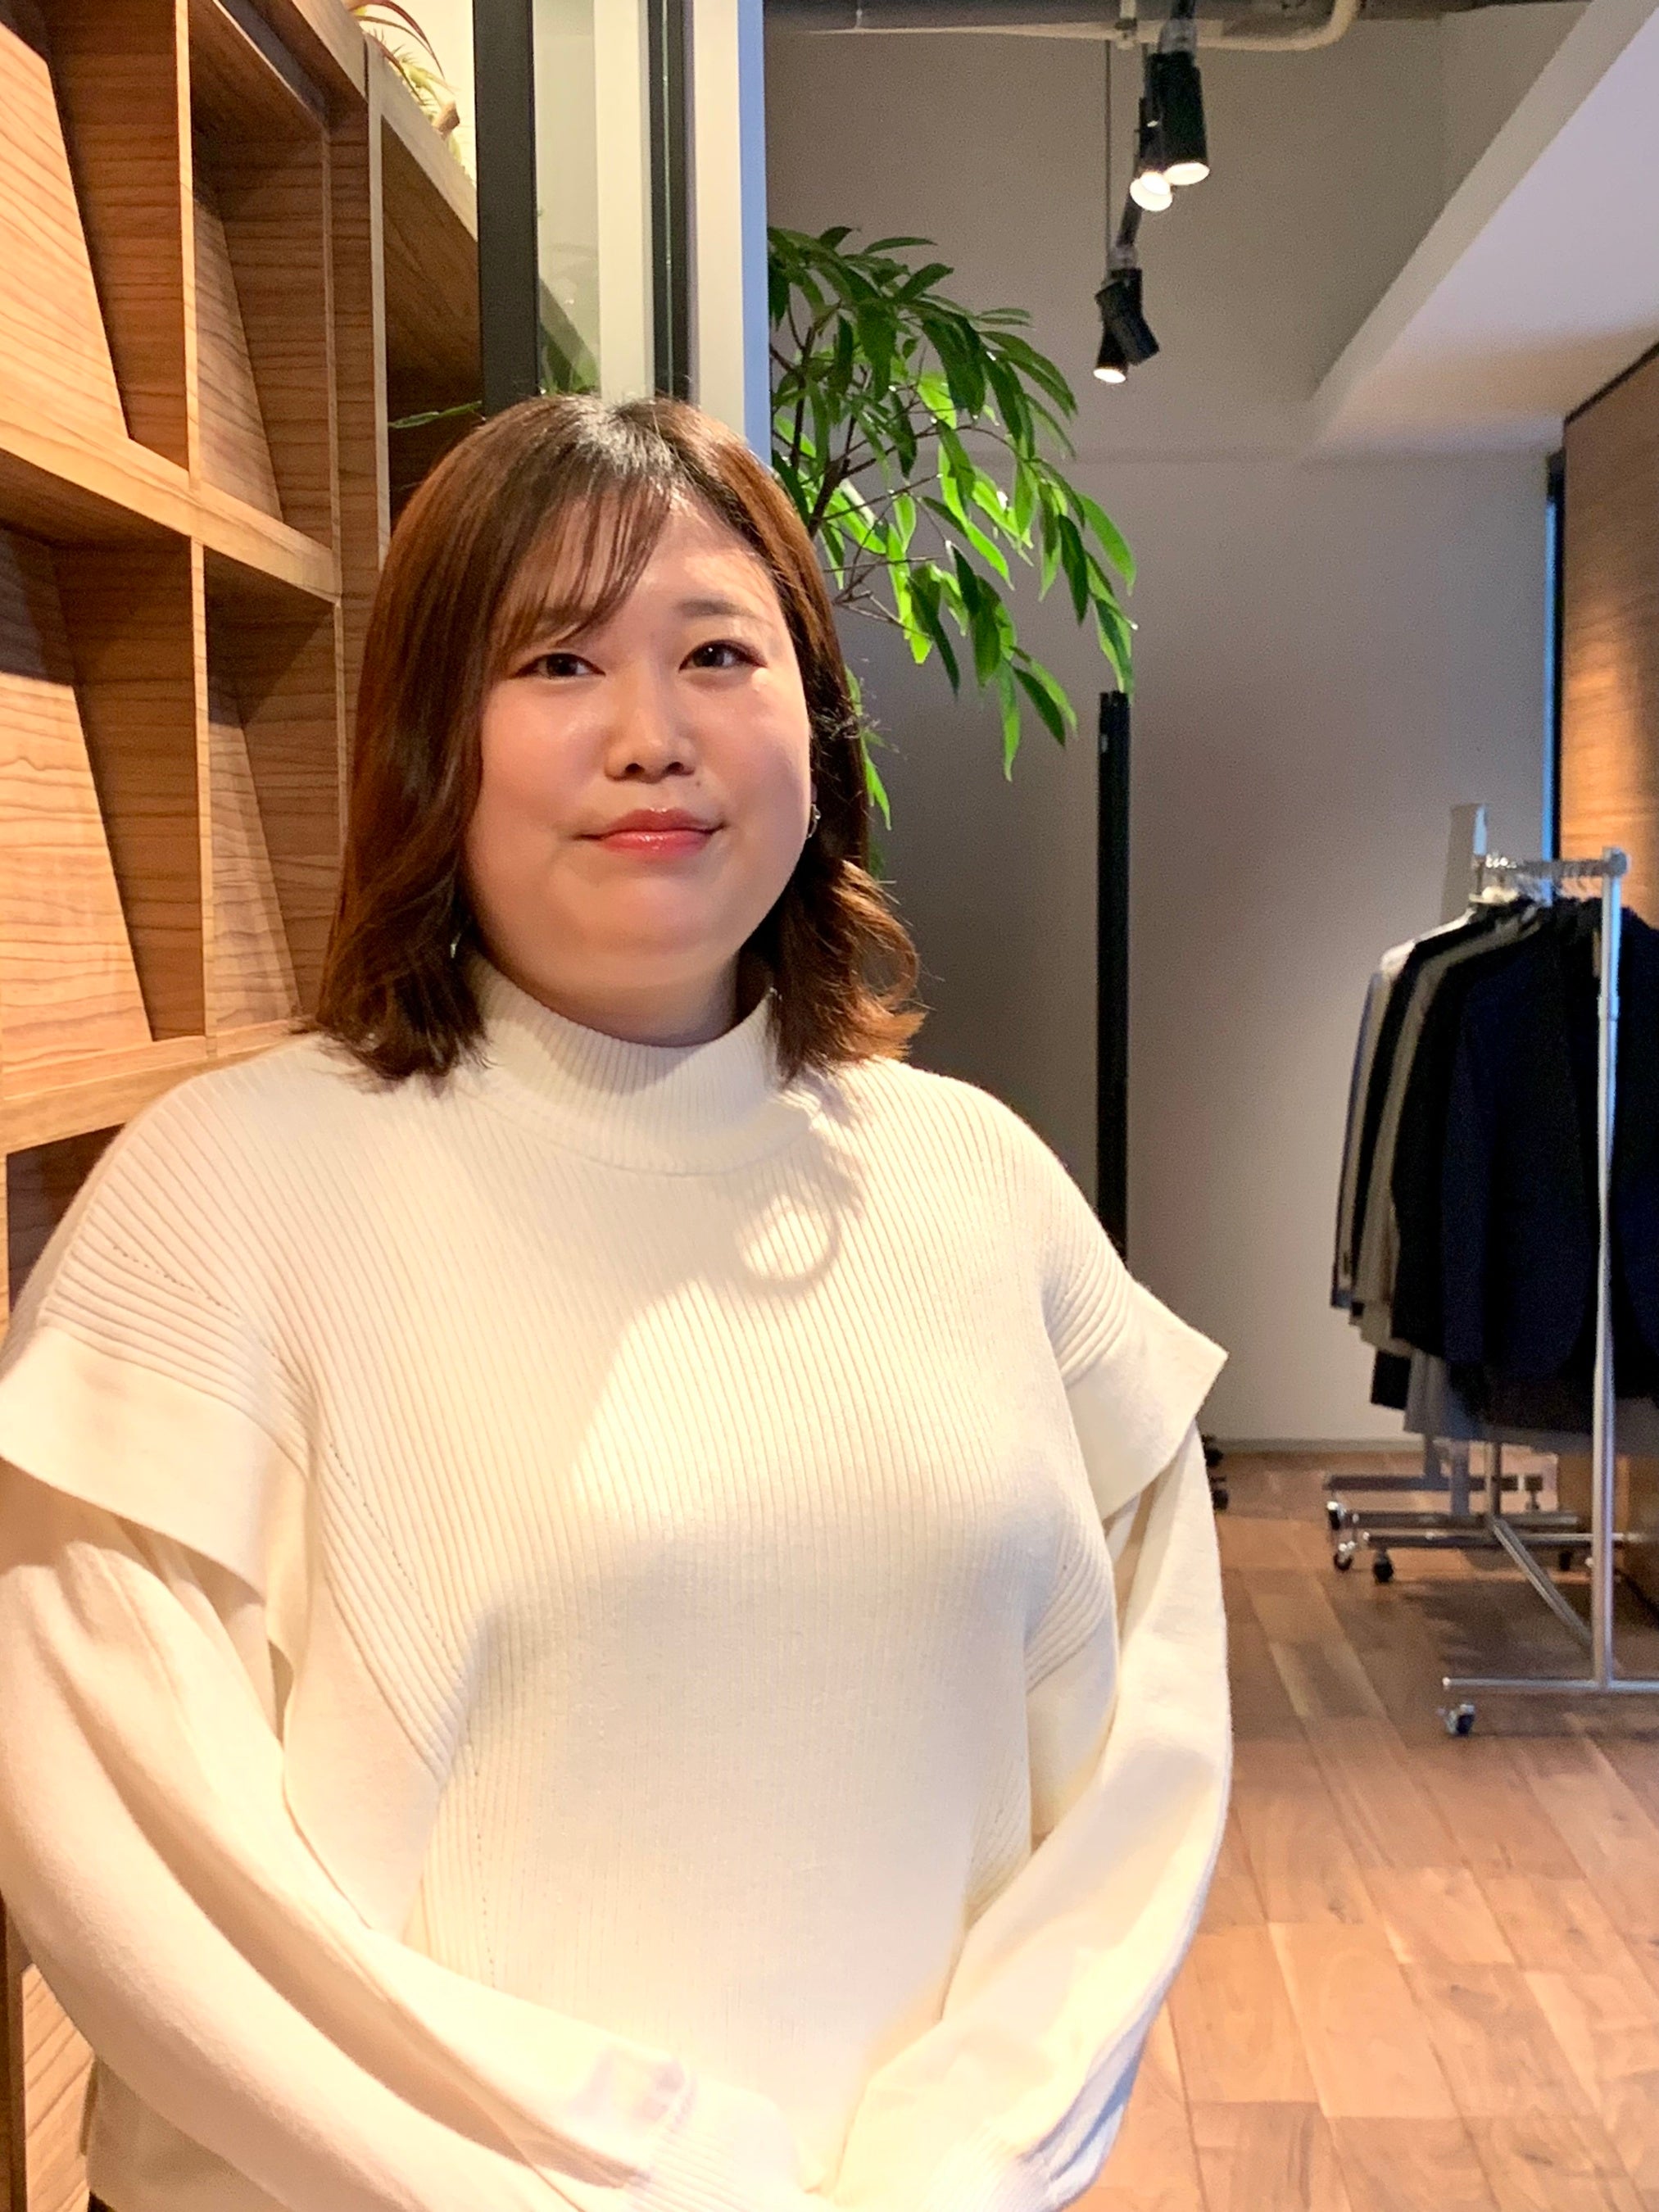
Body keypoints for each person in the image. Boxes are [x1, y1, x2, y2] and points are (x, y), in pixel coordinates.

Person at [0, 394, 1230, 2212]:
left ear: (813, 727)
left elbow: (1144, 1774)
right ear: (427, 736)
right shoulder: (219, 1197)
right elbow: (142, 1870)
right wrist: (648, 2181)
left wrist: (955, 2166)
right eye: (557, 661)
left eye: (718, 654)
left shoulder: (983, 1188)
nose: (651, 736)